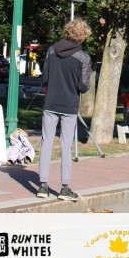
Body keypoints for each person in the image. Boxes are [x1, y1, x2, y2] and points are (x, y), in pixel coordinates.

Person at [36, 18, 92, 202]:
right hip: (69, 104)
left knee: (47, 143)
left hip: (51, 102)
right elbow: (84, 86)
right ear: (83, 36)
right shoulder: (83, 57)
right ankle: (64, 188)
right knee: (66, 146)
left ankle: (43, 185)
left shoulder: (52, 50)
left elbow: (45, 77)